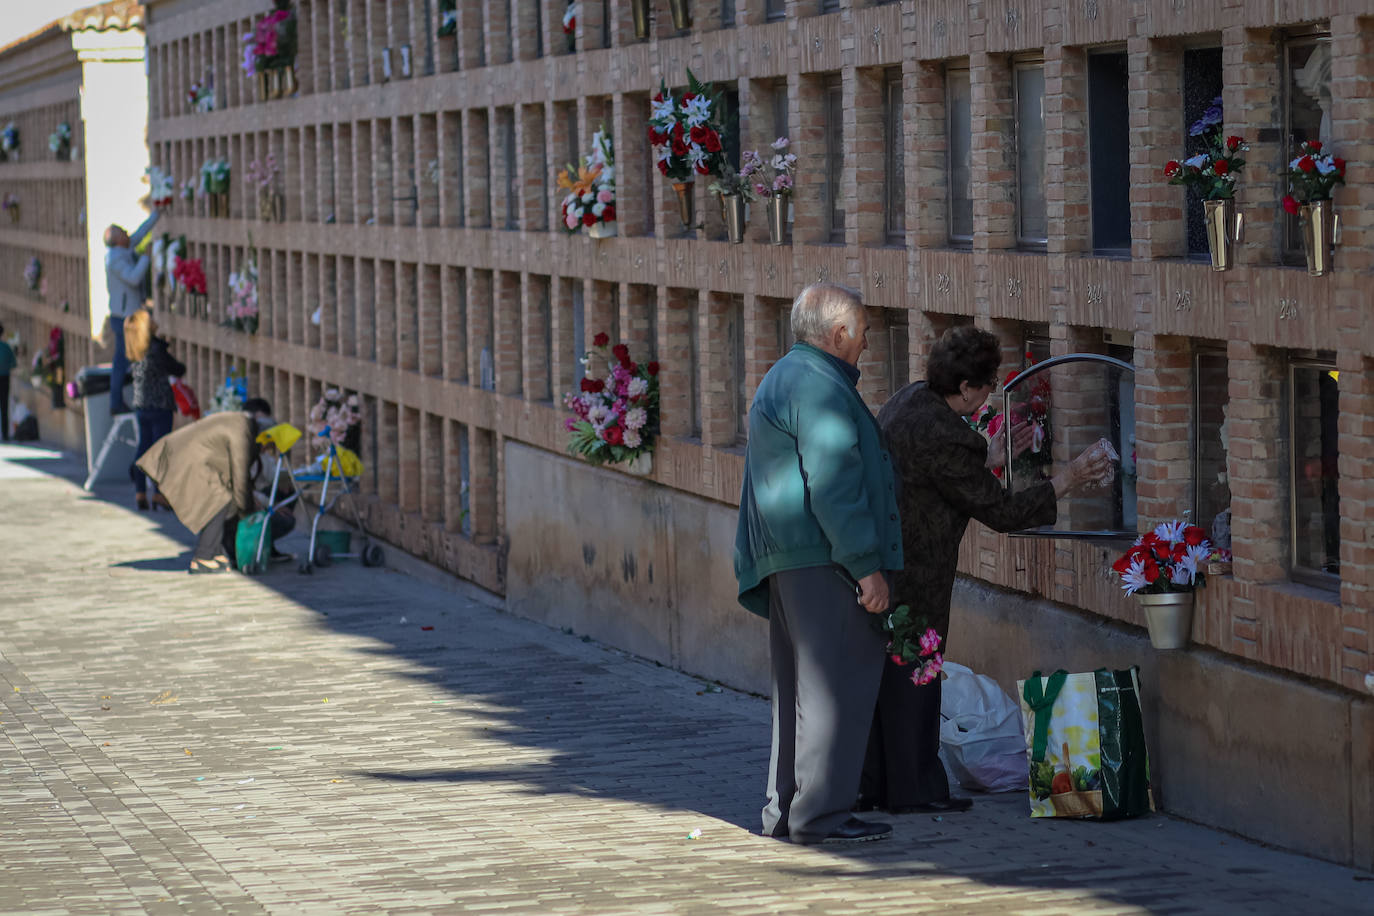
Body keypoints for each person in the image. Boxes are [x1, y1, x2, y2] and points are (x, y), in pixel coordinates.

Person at [858, 325, 1113, 816]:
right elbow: (1001, 512)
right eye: (987, 385)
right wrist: (1069, 478)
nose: (990, 393)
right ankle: (913, 790)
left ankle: (881, 786)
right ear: (967, 389)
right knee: (918, 678)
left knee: (891, 680)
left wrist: (989, 456)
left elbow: (941, 468)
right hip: (917, 575)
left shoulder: (913, 399)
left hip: (892, 567)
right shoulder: (945, 434)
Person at [734, 283, 903, 846]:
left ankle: (786, 811)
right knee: (835, 688)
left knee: (798, 691)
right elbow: (834, 483)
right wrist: (866, 566)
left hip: (791, 558)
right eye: (864, 335)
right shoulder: (819, 383)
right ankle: (821, 815)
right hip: (822, 559)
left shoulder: (786, 373)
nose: (867, 347)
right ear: (839, 335)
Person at [135, 399, 275, 574]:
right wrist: (247, 510)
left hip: (179, 460)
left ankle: (217, 553)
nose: (263, 448)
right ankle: (204, 558)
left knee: (220, 500)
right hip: (180, 463)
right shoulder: (243, 431)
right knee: (220, 502)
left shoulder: (238, 422)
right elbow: (240, 477)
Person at [124, 308, 185, 511]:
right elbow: (177, 369)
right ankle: (160, 494)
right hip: (160, 405)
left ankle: (140, 492)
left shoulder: (134, 350)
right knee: (161, 452)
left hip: (142, 406)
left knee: (144, 448)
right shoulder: (155, 349)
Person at [105, 210, 162, 414]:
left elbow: (140, 232)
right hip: (123, 317)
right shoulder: (115, 260)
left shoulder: (124, 249)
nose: (127, 233)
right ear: (118, 240)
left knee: (128, 359)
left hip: (128, 314)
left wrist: (159, 211)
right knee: (122, 360)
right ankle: (116, 403)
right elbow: (134, 278)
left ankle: (129, 400)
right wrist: (146, 257)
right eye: (123, 232)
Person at [0, 322, 14, 441]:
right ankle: (5, 435)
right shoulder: (6, 347)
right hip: (5, 379)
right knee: (4, 407)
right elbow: (13, 364)